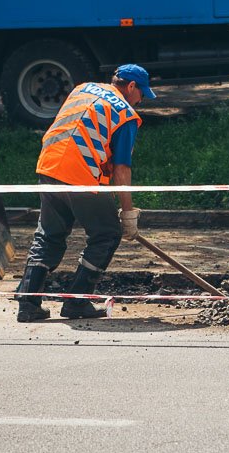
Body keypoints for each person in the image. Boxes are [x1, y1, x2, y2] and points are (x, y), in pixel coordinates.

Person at [13, 65, 156, 322]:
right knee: (107, 234)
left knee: (49, 235)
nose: (141, 100)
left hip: (49, 166)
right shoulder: (125, 114)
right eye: (142, 94)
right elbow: (121, 169)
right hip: (80, 176)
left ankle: (28, 304)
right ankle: (77, 301)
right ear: (131, 87)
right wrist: (127, 212)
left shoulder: (83, 89)